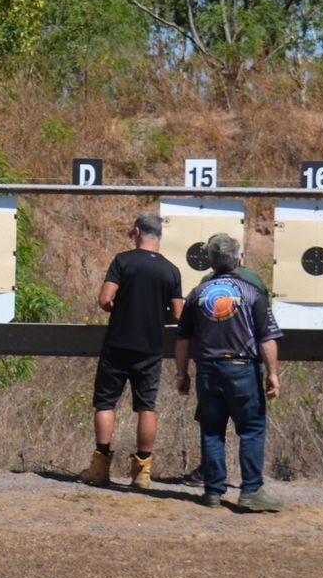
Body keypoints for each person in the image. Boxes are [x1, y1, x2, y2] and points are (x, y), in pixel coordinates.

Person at [175, 234, 284, 511]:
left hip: (207, 371)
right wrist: (272, 373)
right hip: (242, 369)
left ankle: (212, 492)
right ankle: (250, 491)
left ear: (210, 262)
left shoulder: (197, 294)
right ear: (238, 259)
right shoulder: (252, 293)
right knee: (251, 430)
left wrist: (182, 373)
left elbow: (183, 338)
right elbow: (267, 338)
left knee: (212, 432)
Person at [80, 212, 184, 491]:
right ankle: (142, 472)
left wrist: (120, 309)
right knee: (146, 406)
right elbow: (177, 313)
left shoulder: (122, 261)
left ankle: (100, 467)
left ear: (137, 231)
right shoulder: (171, 270)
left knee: (105, 402)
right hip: (151, 347)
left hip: (118, 343)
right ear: (158, 235)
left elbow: (105, 299)